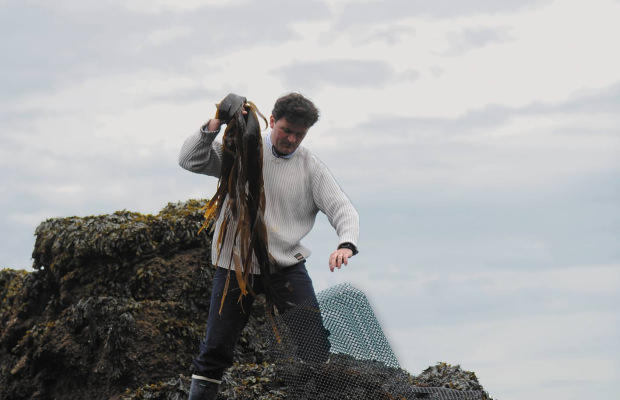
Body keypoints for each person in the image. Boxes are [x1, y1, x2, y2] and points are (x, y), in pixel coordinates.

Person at [178, 92, 360, 399]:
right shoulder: (243, 151)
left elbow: (343, 209)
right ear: (272, 122)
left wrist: (346, 244)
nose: (291, 139)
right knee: (215, 349)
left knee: (313, 345)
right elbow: (190, 160)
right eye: (286, 130)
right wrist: (217, 121)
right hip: (235, 265)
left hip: (285, 266)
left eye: (299, 135)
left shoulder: (310, 168)